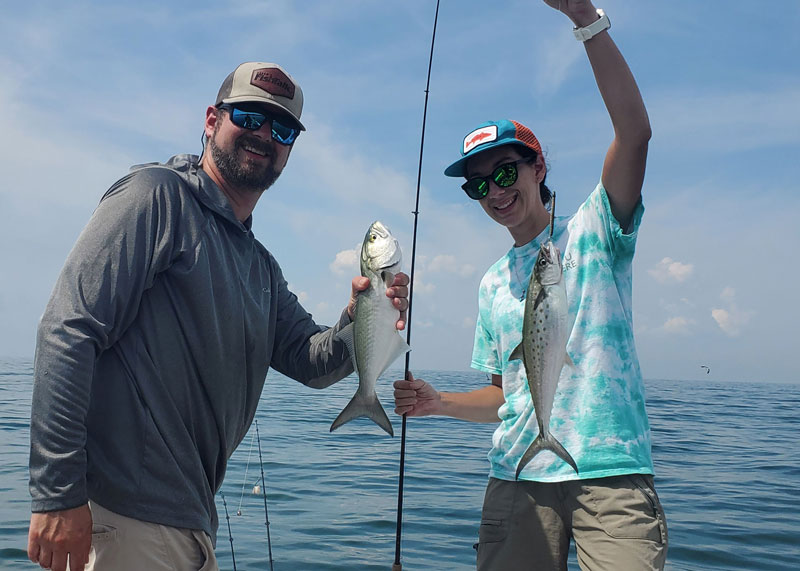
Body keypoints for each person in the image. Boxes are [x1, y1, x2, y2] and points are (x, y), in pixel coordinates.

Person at [27, 61, 409, 571]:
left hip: (189, 522)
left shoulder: (261, 268)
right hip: (126, 519)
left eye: (282, 128)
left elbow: (311, 361)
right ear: (212, 119)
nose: (263, 136)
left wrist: (359, 316)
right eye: (248, 116)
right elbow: (67, 331)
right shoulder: (157, 197)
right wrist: (56, 494)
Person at [393, 2, 668, 569]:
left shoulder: (596, 227)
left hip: (609, 474)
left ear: (537, 168)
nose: (494, 192)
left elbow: (635, 133)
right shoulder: (493, 283)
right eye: (478, 186)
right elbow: (506, 396)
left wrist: (584, 18)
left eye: (504, 172)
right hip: (517, 474)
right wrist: (439, 403)